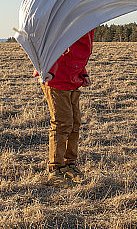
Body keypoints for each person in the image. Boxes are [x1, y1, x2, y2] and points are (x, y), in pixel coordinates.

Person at [35, 29, 95, 187]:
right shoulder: (68, 21)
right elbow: (52, 45)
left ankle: (69, 165)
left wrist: (82, 73)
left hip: (72, 79)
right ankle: (55, 169)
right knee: (62, 123)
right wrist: (49, 70)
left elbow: (77, 53)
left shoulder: (88, 24)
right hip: (56, 79)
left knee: (74, 124)